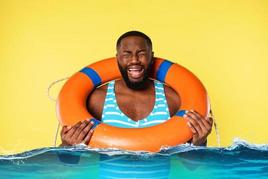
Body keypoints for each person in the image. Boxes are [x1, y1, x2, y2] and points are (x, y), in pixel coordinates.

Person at [60, 31, 213, 147]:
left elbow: (190, 166)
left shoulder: (171, 99)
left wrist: (200, 142)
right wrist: (66, 147)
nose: (134, 60)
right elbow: (71, 163)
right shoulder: (98, 100)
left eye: (141, 54)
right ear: (117, 58)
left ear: (151, 57)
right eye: (127, 54)